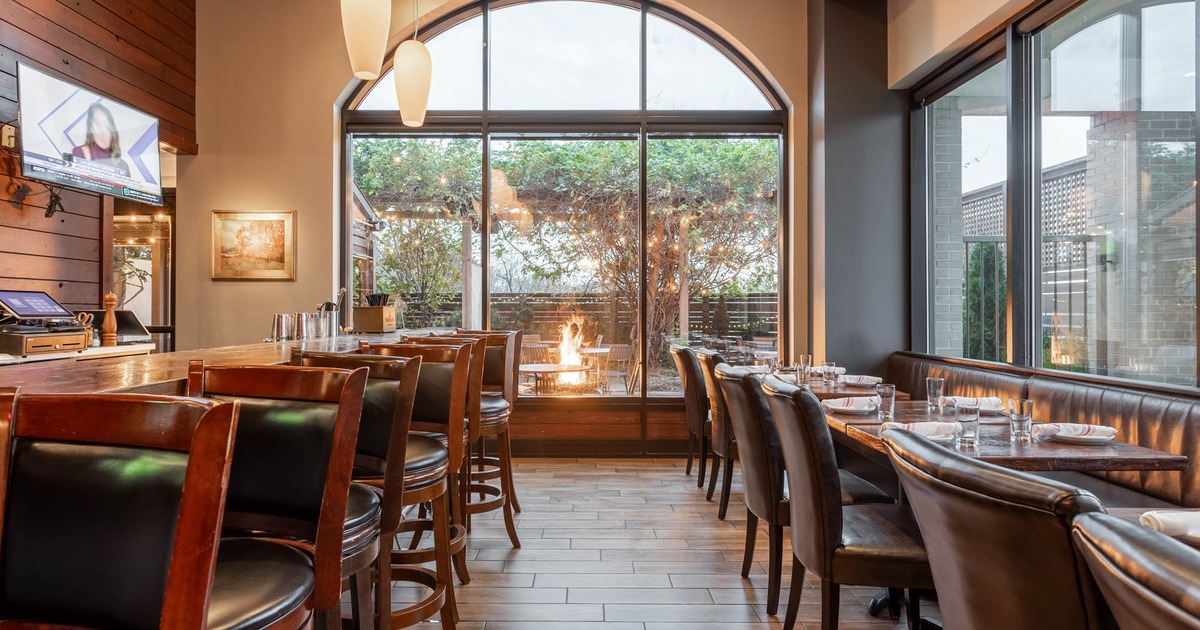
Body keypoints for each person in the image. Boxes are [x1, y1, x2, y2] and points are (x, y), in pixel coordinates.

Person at [71, 103, 130, 174]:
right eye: (97, 124)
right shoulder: (80, 153)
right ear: (91, 128)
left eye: (107, 127)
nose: (102, 132)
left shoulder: (123, 166)